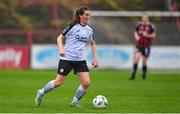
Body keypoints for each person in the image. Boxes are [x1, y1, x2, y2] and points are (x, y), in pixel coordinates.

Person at [35, 6, 98, 107]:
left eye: (89, 15)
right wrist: (61, 49)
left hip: (80, 60)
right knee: (59, 82)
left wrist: (95, 58)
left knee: (86, 83)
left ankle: (75, 102)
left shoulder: (89, 30)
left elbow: (92, 43)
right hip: (67, 59)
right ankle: (41, 92)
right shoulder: (72, 26)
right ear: (80, 15)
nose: (88, 17)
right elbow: (59, 38)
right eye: (86, 15)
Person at [129, 14, 156, 80]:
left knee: (144, 62)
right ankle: (133, 75)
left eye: (145, 17)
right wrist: (136, 37)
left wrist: (147, 35)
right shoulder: (139, 24)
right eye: (143, 17)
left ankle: (144, 75)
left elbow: (154, 35)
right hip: (139, 45)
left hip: (147, 45)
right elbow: (135, 32)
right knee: (136, 59)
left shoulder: (151, 26)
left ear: (148, 18)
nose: (144, 19)